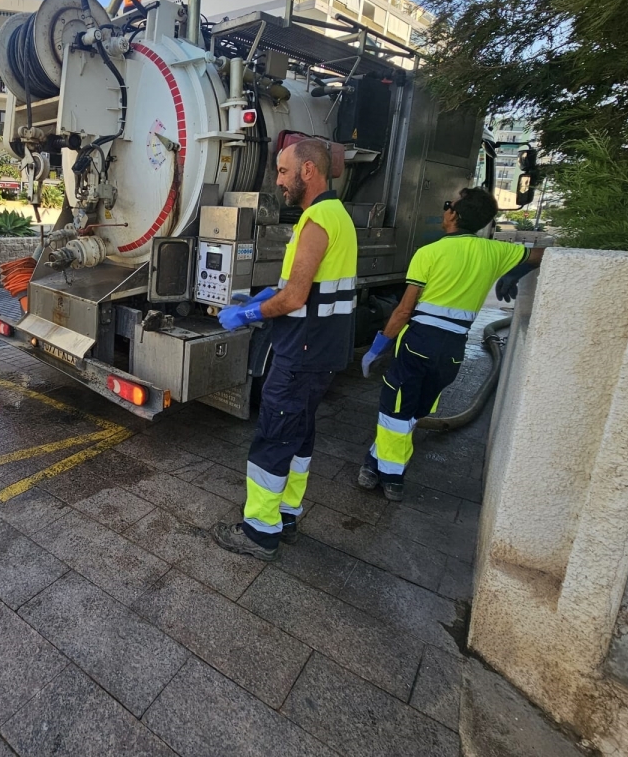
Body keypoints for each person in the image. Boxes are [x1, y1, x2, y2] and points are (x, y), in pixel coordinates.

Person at [210, 138, 358, 561]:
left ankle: (259, 531)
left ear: (308, 170)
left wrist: (248, 316)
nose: (279, 181)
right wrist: (259, 298)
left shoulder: (317, 221)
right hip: (321, 352)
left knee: (274, 437)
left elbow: (294, 298)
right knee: (299, 434)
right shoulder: (336, 216)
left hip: (301, 353)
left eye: (282, 171)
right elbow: (302, 286)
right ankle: (287, 515)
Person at [359, 187, 544, 500]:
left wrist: (378, 346)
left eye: (449, 205)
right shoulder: (496, 252)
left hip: (419, 341)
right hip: (453, 349)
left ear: (454, 215)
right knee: (412, 413)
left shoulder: (430, 253)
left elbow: (404, 310)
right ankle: (373, 463)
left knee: (394, 413)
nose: (445, 210)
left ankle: (391, 478)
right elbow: (542, 254)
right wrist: (517, 273)